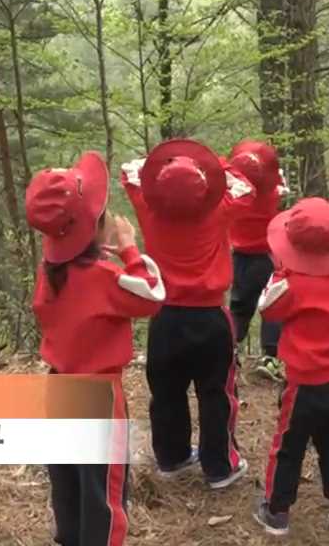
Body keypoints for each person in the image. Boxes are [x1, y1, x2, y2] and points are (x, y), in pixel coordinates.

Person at [27, 152, 167, 546]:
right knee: (104, 493)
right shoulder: (105, 277)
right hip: (99, 397)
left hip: (58, 390)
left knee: (68, 484)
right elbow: (152, 296)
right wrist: (129, 250)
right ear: (94, 226)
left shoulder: (49, 273)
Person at [120, 138, 255, 490]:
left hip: (165, 318)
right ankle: (219, 466)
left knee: (166, 391)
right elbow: (248, 187)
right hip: (211, 318)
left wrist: (162, 165)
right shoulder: (219, 208)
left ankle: (172, 457)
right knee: (216, 393)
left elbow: (130, 171)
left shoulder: (149, 209)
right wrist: (217, 165)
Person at [251, 198, 329, 538]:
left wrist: (282, 272)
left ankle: (277, 510)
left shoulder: (292, 284)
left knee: (287, 446)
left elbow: (267, 310)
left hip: (304, 385)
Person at [225, 139, 289, 382]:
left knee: (240, 307)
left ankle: (230, 350)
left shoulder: (236, 198)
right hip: (269, 257)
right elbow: (279, 189)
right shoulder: (272, 194)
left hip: (241, 257)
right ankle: (270, 358)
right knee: (271, 307)